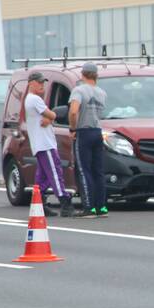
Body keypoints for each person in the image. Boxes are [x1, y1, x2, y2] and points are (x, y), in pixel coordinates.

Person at [24, 71, 74, 217]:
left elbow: (47, 117)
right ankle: (65, 202)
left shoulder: (29, 99)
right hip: (45, 144)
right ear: (31, 83)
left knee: (43, 177)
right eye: (39, 82)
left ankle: (39, 203)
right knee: (55, 172)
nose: (42, 85)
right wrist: (51, 116)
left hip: (40, 144)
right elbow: (52, 114)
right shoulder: (35, 99)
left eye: (43, 82)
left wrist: (49, 118)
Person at [69, 62, 108, 218]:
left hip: (83, 132)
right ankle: (101, 207)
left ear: (82, 74)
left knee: (84, 170)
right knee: (98, 170)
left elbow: (73, 111)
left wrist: (73, 129)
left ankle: (89, 207)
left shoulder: (78, 90)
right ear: (96, 75)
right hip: (98, 131)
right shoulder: (102, 93)